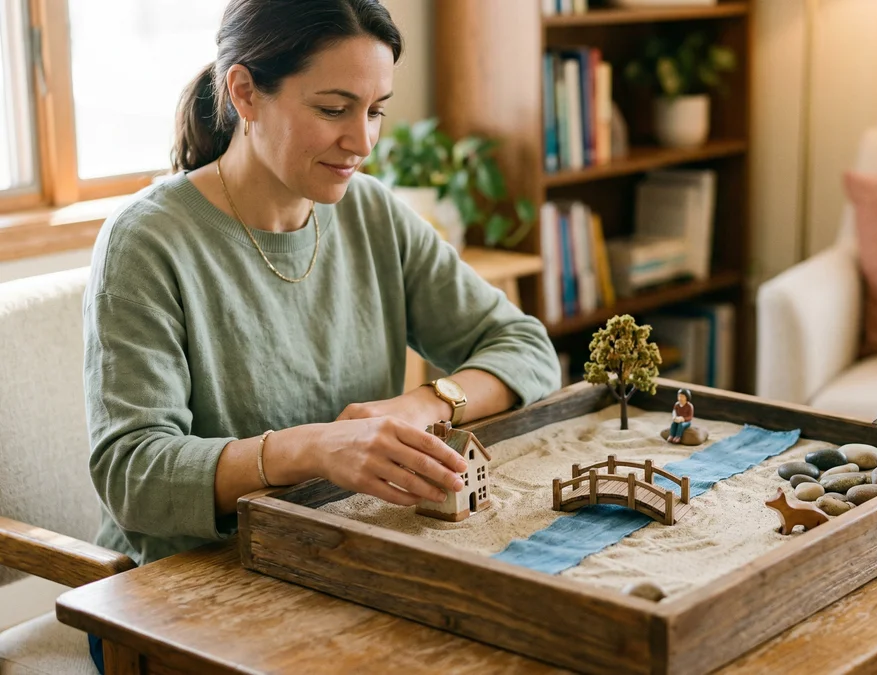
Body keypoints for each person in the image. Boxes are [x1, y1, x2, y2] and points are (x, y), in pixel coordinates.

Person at [81, 1, 559, 671]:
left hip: (341, 565)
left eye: (376, 110)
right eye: (333, 109)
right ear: (245, 93)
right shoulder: (146, 242)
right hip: (184, 600)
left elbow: (526, 346)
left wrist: (425, 402)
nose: (362, 143)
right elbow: (133, 473)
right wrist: (316, 448)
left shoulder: (372, 211)